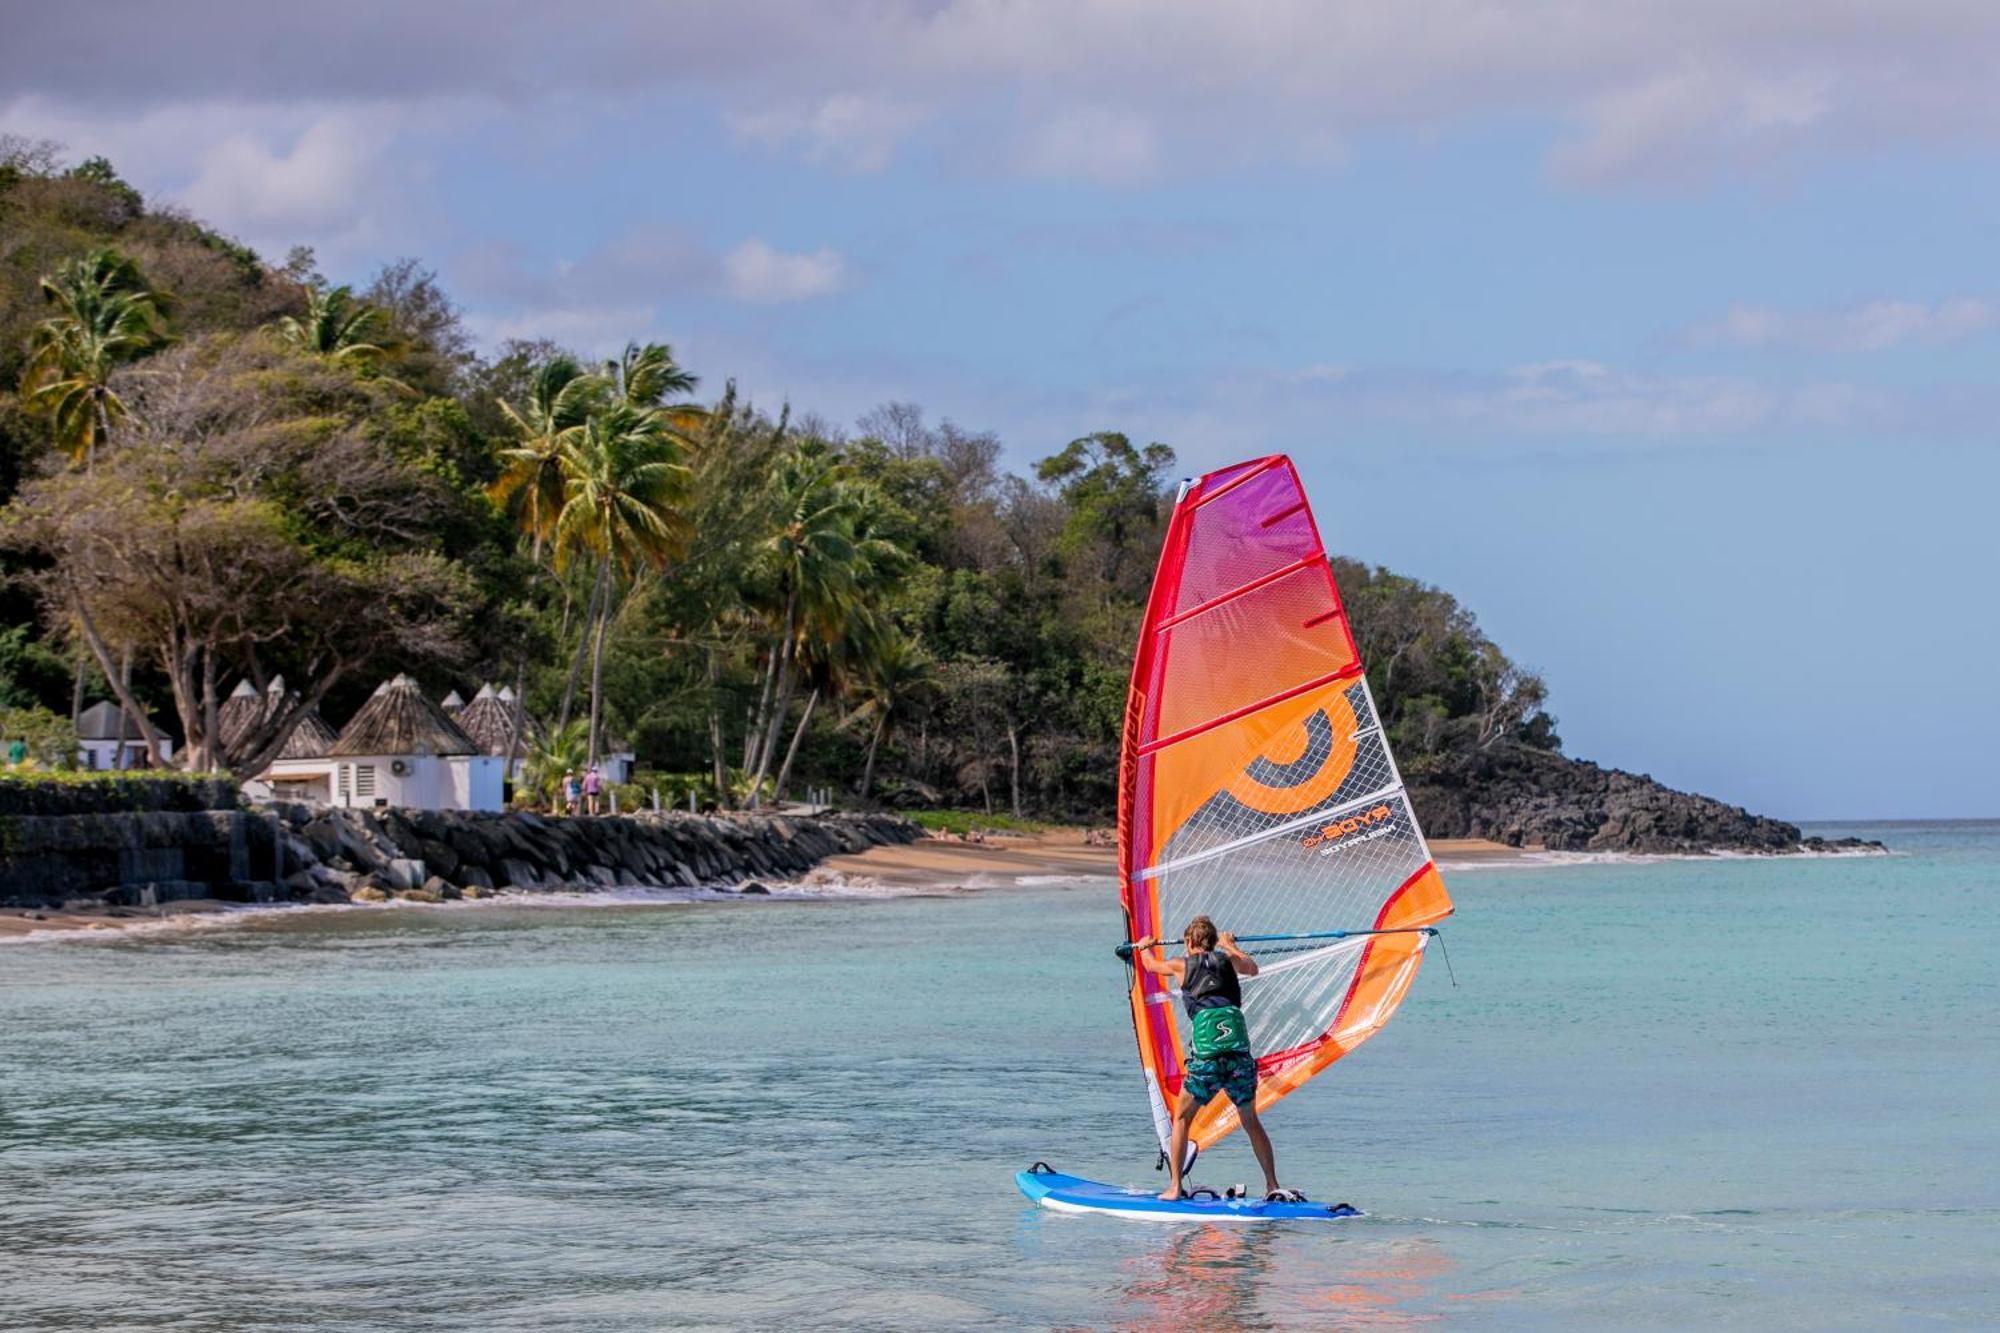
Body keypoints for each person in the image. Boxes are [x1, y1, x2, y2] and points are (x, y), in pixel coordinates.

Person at [1132, 915, 1298, 1203]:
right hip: (1238, 1058)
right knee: (1250, 1119)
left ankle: (1174, 1187)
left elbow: (1150, 966)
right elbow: (1253, 968)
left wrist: (1144, 946)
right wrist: (1230, 946)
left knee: (1182, 1117)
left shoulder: (1180, 965)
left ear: (1188, 942)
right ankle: (1272, 1184)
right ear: (1212, 942)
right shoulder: (1227, 961)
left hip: (1207, 1060)